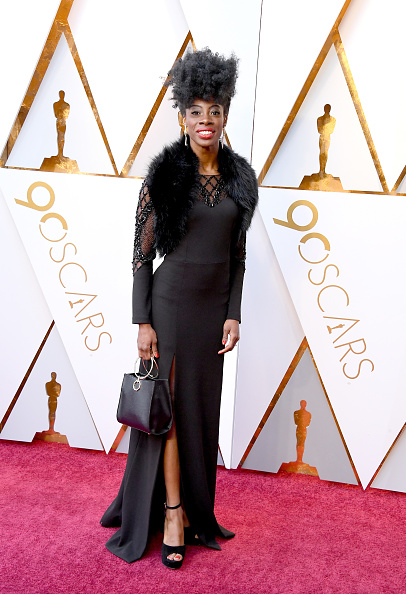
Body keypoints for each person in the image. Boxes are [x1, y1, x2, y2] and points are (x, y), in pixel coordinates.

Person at [101, 48, 258, 569]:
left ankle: (195, 506)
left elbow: (238, 256)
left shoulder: (240, 178)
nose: (205, 119)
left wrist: (233, 313)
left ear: (225, 114)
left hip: (212, 317)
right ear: (182, 117)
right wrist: (142, 321)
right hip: (168, 308)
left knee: (198, 416)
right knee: (166, 418)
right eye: (195, 111)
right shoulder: (165, 174)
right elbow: (141, 255)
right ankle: (172, 512)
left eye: (214, 109)